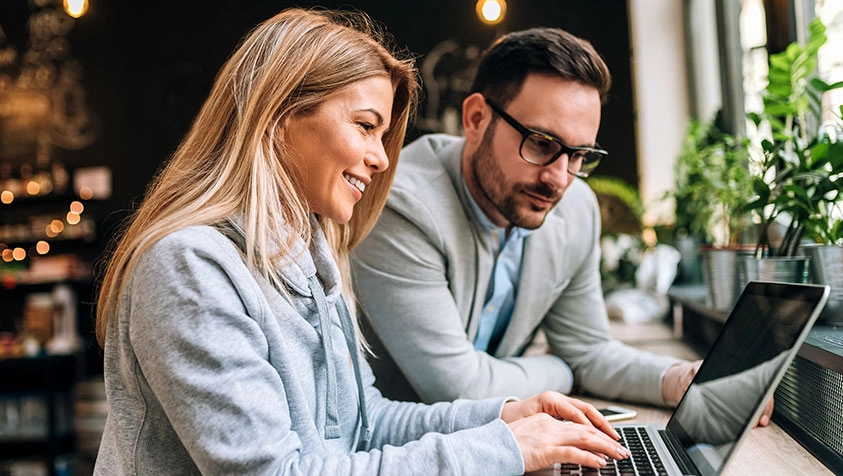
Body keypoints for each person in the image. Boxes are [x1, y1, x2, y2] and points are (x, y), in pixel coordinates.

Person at [92, 8, 631, 474]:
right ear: (279, 119)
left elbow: (366, 426)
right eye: (366, 125)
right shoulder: (189, 267)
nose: (381, 157)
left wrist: (506, 415)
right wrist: (501, 448)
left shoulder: (311, 252)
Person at [350, 26, 704, 407]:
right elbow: (459, 390)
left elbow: (588, 350)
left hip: (503, 436)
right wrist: (563, 369)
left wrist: (677, 380)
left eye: (579, 154)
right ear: (475, 119)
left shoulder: (577, 208)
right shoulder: (402, 204)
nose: (558, 179)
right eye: (540, 143)